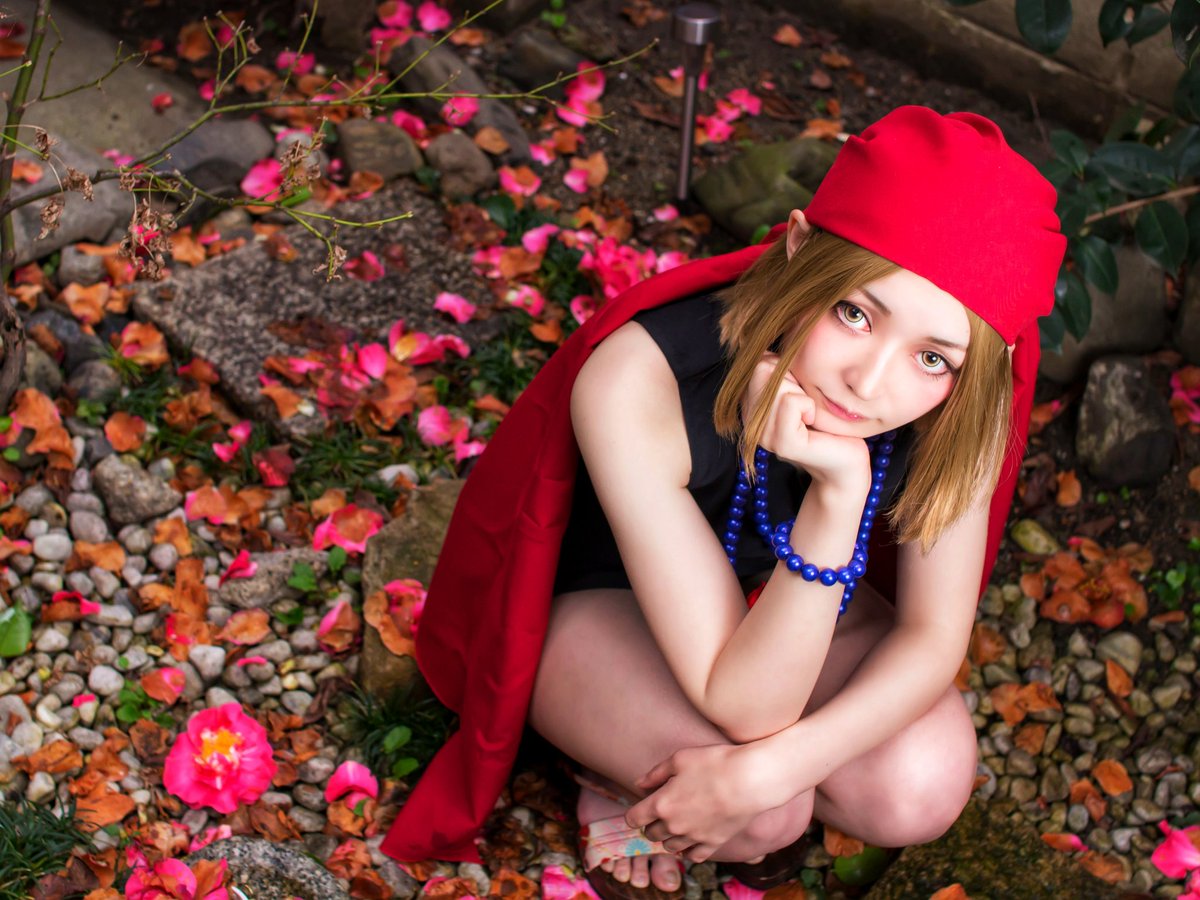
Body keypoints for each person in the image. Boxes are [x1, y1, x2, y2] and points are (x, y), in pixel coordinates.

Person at [381, 106, 1066, 898]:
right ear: (798, 247)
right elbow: (744, 704)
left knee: (921, 782)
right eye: (854, 312)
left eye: (933, 358)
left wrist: (768, 770)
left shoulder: (966, 406)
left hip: (778, 600)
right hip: (600, 605)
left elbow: (933, 636)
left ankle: (701, 779)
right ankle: (596, 766)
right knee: (766, 820)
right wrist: (838, 497)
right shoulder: (641, 377)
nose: (869, 383)